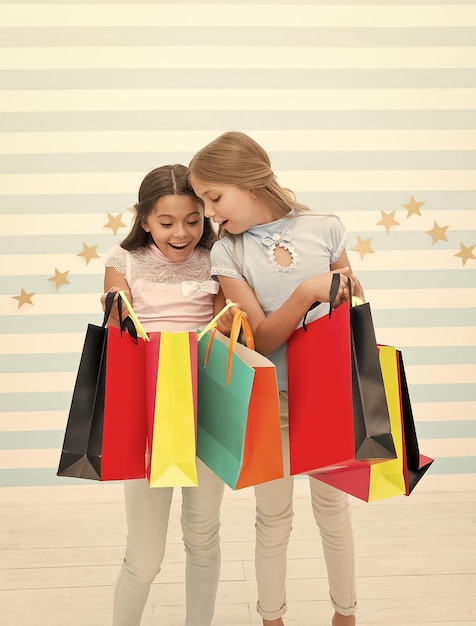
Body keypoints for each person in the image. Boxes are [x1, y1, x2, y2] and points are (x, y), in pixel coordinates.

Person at [189, 132, 364, 626]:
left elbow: (351, 302)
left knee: (333, 511)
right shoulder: (228, 253)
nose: (210, 213)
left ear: (249, 179)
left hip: (327, 395)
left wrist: (344, 288)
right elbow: (262, 340)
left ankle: (345, 615)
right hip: (272, 401)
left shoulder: (325, 228)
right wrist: (310, 290)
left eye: (214, 197)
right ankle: (272, 618)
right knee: (273, 517)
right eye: (203, 201)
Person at [102, 164, 234, 626]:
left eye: (194, 220)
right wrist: (114, 303)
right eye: (166, 222)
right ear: (143, 220)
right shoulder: (124, 262)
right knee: (145, 552)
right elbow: (118, 318)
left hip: (208, 407)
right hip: (147, 412)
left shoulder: (221, 260)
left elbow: (227, 326)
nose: (182, 233)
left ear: (206, 217)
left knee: (203, 533)